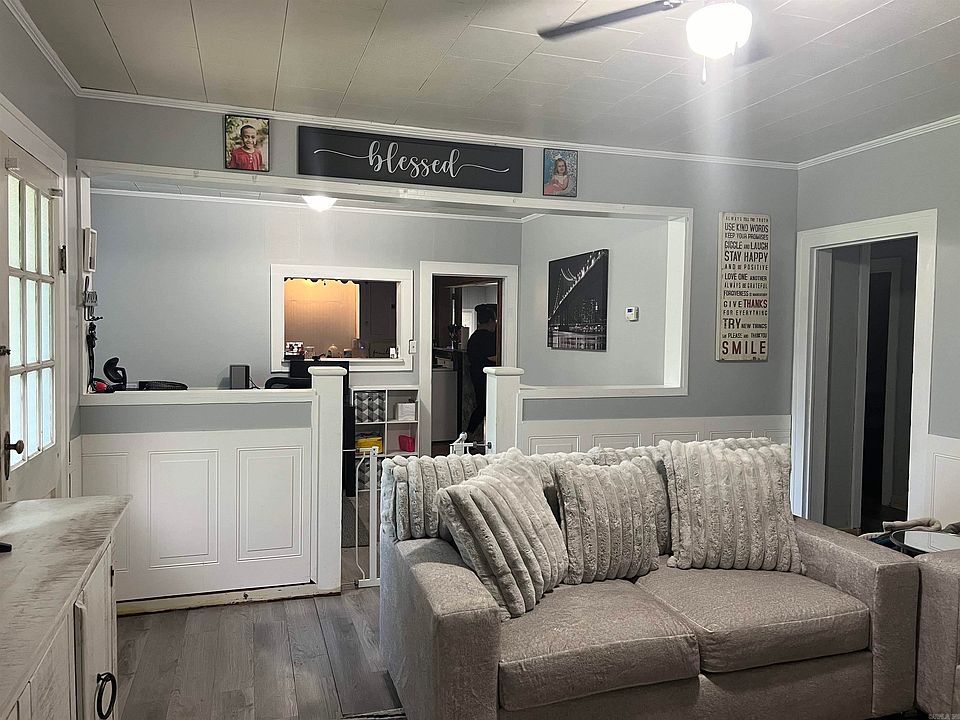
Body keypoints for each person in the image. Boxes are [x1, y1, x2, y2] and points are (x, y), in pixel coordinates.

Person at [466, 304, 498, 444]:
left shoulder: (474, 337)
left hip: (476, 374)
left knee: (482, 405)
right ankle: (470, 434)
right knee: (485, 406)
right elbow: (493, 357)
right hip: (486, 376)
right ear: (490, 321)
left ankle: (469, 434)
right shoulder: (488, 337)